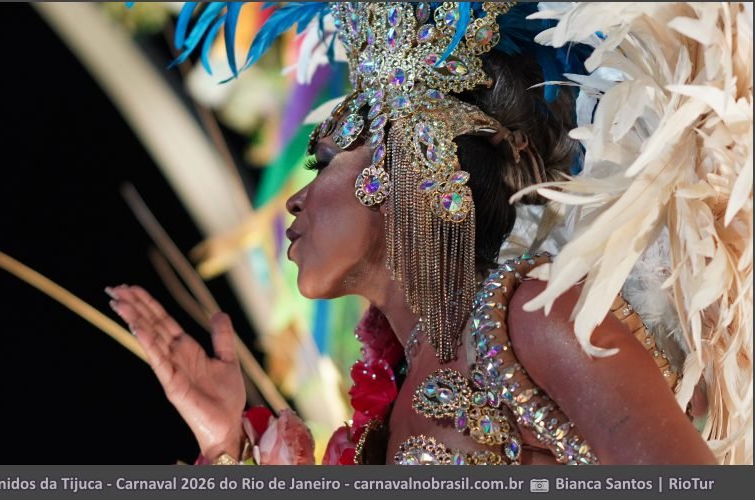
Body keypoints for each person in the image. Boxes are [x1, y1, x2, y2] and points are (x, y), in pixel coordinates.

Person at [108, 2, 751, 465]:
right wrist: (225, 441)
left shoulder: (531, 317)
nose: (296, 200)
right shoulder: (378, 418)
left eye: (324, 162)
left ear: (411, 164)